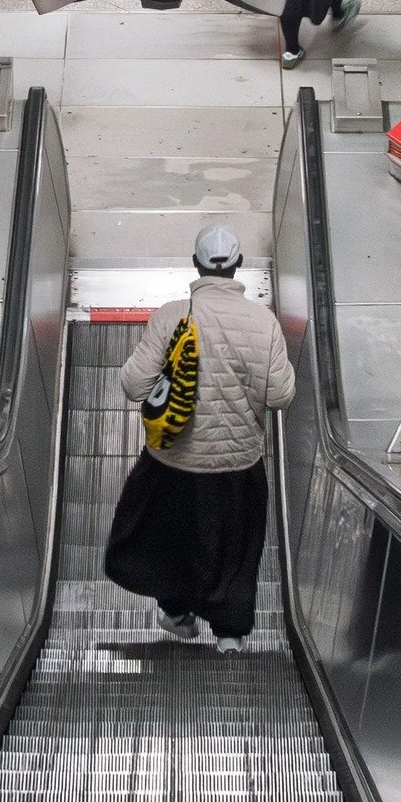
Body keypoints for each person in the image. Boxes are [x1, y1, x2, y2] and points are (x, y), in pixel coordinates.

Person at [107, 224, 296, 652]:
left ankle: (177, 613)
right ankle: (230, 637)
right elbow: (281, 396)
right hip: (239, 468)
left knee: (169, 543)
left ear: (195, 266)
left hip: (173, 464)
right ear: (238, 266)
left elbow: (135, 386)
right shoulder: (263, 323)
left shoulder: (173, 315)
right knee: (234, 549)